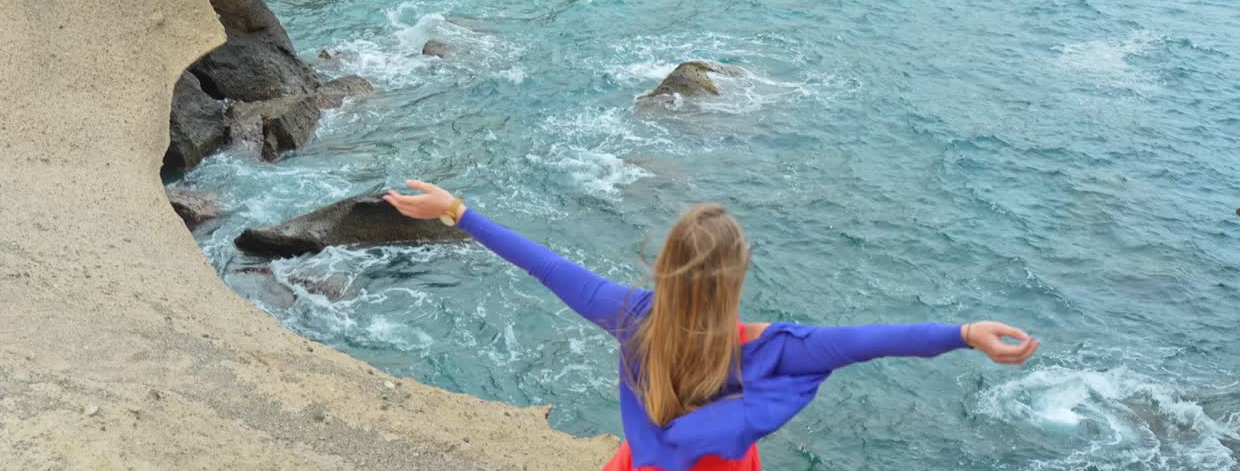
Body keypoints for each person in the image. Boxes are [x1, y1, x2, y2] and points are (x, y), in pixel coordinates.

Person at [385, 181, 1040, 471]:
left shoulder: (630, 315)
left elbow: (546, 266)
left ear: (664, 266)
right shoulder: (777, 351)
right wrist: (964, 332)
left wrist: (457, 210)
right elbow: (872, 340)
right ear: (736, 279)